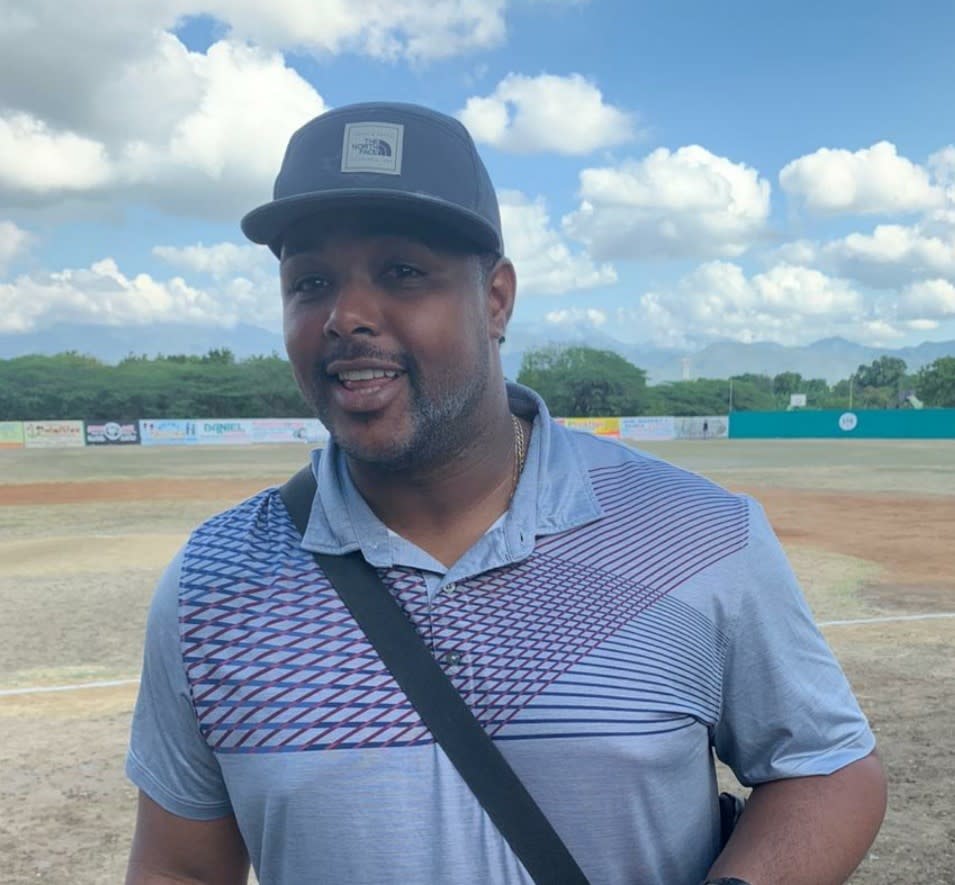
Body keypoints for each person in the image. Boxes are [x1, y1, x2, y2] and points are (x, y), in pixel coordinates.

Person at [125, 102, 886, 885]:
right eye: (310, 281)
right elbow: (178, 867)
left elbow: (827, 768)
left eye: (401, 271)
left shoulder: (702, 533)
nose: (345, 316)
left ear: (495, 298)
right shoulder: (210, 586)